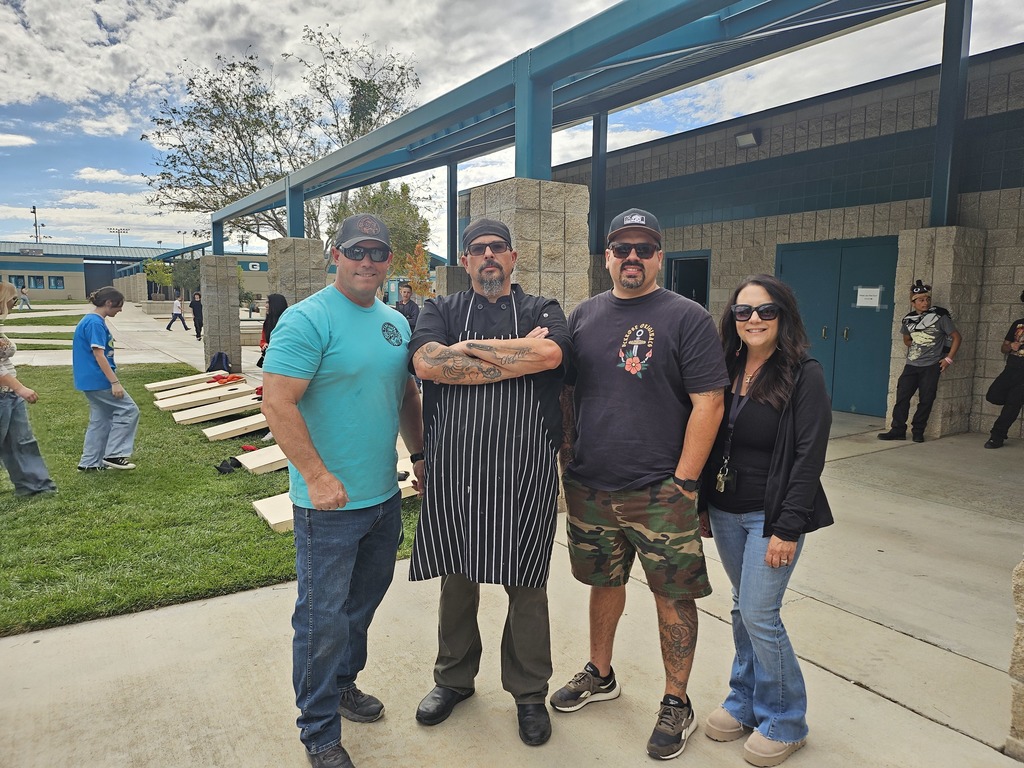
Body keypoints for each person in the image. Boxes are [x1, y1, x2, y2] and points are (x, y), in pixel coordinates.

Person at [550, 208, 728, 761]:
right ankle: (600, 673)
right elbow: (566, 391)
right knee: (604, 582)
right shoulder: (583, 316)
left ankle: (677, 700)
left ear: (659, 256)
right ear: (607, 256)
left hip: (659, 490)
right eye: (621, 248)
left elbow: (710, 402)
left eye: (643, 249)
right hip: (590, 486)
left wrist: (684, 482)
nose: (632, 257)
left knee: (672, 594)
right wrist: (566, 453)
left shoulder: (687, 318)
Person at [261, 213, 424, 768]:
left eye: (379, 253)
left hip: (383, 498)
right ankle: (319, 731)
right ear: (336, 253)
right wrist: (317, 475)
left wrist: (421, 456)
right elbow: (276, 402)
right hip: (326, 507)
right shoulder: (308, 320)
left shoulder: (395, 323)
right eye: (358, 251)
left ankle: (343, 685)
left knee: (361, 607)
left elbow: (404, 398)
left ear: (388, 263)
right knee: (321, 618)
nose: (368, 262)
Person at [409, 217, 571, 747]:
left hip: (525, 470)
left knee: (526, 584)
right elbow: (428, 365)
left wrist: (468, 350)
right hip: (456, 470)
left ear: (513, 255)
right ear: (466, 260)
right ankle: (453, 680)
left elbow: (550, 355)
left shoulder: (542, 309)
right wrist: (512, 354)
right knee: (457, 580)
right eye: (477, 250)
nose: (488, 257)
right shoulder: (440, 309)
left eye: (497, 248)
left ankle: (529, 693)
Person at [699, 274, 833, 767]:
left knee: (759, 612)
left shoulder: (804, 373)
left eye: (765, 311)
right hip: (725, 510)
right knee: (742, 608)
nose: (753, 319)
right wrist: (701, 506)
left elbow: (808, 456)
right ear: (732, 319)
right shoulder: (724, 365)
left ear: (784, 315)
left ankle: (786, 718)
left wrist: (788, 527)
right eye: (743, 311)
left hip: (769, 515)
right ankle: (744, 701)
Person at [877, 280, 961, 443]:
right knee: (902, 397)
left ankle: (918, 431)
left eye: (927, 299)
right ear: (913, 302)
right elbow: (907, 339)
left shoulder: (940, 317)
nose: (925, 302)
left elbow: (957, 337)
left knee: (926, 399)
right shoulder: (908, 319)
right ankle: (898, 430)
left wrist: (948, 359)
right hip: (911, 365)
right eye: (921, 300)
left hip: (931, 366)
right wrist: (918, 345)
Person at [72, 286, 139, 471]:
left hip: (88, 380)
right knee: (129, 410)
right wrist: (114, 382)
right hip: (98, 379)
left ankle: (89, 463)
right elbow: (99, 355)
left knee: (100, 420)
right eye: (119, 306)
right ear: (109, 303)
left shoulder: (91, 320)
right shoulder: (95, 323)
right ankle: (115, 454)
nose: (120, 310)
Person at [0, 283, 56, 495]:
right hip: (6, 393)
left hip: (9, 395)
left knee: (23, 442)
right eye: (13, 299)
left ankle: (36, 487)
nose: (15, 303)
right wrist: (20, 387)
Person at [983, 289, 1024, 449]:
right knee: (993, 395)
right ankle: (1017, 400)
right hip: (1012, 367)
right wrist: (1010, 346)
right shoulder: (1018, 324)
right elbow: (1004, 347)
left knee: (1013, 403)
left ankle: (997, 436)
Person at [260, 294, 289, 358]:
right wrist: (264, 345)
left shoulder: (288, 322)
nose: (265, 306)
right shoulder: (267, 322)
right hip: (271, 357)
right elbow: (263, 340)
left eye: (268, 303)